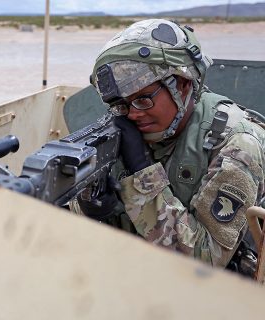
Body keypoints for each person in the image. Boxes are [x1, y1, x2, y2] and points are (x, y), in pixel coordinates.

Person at [78, 19, 265, 273]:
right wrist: (92, 208)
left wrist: (141, 173)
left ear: (183, 84)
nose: (132, 114)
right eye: (122, 104)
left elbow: (205, 261)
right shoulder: (122, 129)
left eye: (143, 99)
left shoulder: (237, 144)